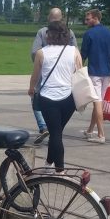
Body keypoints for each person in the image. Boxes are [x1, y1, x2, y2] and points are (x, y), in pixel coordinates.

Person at [29, 21, 81, 174]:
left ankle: (60, 170)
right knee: (56, 132)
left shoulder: (41, 53)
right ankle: (48, 162)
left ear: (49, 34)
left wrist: (31, 89)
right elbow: (79, 73)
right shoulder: (74, 51)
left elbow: (35, 76)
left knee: (56, 133)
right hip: (69, 98)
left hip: (48, 98)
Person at [28, 8, 77, 145]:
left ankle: (44, 126)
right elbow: (75, 53)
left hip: (45, 72)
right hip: (64, 76)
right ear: (62, 18)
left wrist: (40, 61)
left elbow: (34, 51)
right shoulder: (70, 32)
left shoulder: (43, 32)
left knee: (36, 99)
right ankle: (55, 130)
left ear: (49, 18)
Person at [79, 8, 110, 144]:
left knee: (97, 102)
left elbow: (83, 54)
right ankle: (90, 130)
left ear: (95, 18)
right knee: (98, 101)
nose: (86, 21)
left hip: (95, 72)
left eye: (88, 19)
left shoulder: (89, 34)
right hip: (107, 72)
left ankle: (101, 134)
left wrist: (78, 70)